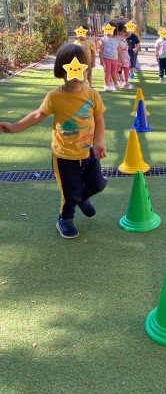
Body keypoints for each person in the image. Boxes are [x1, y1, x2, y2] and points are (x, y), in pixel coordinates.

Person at [0, 43, 107, 239]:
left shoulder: (92, 95)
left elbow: (99, 119)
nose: (76, 75)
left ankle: (81, 198)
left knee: (98, 184)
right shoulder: (55, 97)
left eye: (80, 69)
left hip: (88, 153)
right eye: (70, 69)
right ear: (61, 70)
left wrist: (98, 142)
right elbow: (37, 115)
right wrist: (15, 127)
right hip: (65, 156)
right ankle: (65, 219)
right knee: (70, 193)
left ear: (87, 71)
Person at [98, 21, 122, 91]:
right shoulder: (103, 39)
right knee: (107, 73)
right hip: (106, 59)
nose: (108, 31)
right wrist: (101, 60)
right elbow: (100, 50)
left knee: (114, 73)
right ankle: (106, 85)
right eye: (107, 29)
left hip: (115, 59)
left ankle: (115, 85)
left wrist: (121, 60)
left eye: (110, 29)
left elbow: (119, 50)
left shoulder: (116, 39)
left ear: (114, 30)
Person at [116, 21, 134, 89]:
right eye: (123, 31)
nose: (125, 32)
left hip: (125, 56)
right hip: (118, 56)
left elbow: (129, 33)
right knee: (117, 69)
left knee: (126, 68)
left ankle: (126, 82)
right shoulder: (116, 37)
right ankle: (115, 81)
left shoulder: (124, 36)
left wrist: (129, 27)